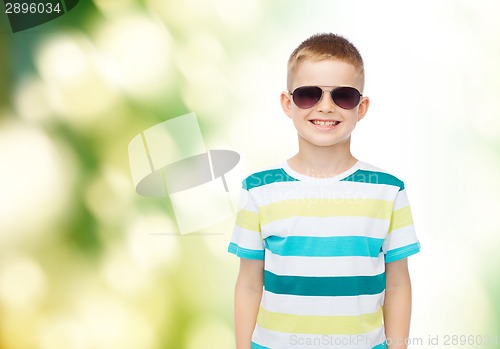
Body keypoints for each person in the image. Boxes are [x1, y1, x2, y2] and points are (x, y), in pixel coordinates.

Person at [227, 33, 420, 349]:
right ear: (288, 104)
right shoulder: (259, 189)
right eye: (308, 95)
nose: (326, 107)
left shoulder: (388, 191)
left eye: (343, 95)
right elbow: (249, 283)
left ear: (362, 106)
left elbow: (398, 282)